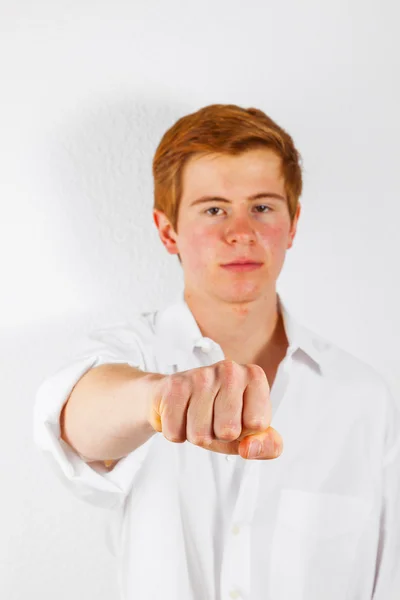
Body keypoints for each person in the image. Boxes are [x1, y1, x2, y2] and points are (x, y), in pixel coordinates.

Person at [33, 104, 400, 600]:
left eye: (263, 207)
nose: (241, 232)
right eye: (213, 209)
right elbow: (77, 424)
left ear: (293, 225)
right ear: (168, 232)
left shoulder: (364, 397)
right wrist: (159, 399)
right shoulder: (129, 354)